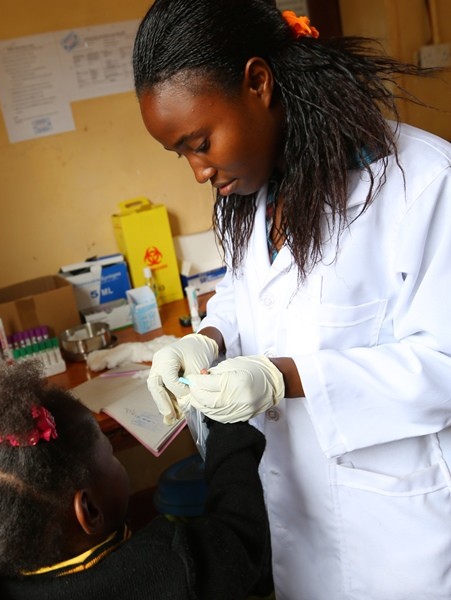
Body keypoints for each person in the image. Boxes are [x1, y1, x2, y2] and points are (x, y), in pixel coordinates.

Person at [132, 1, 451, 598]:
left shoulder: (424, 184)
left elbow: (445, 364)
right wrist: (208, 340)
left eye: (200, 142)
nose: (198, 171)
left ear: (257, 82)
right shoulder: (261, 189)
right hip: (297, 524)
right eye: (182, 153)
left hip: (399, 538)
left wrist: (283, 378)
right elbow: (247, 293)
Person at [0, 358, 273, 599]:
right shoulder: (165, 567)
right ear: (88, 510)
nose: (114, 456)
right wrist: (228, 426)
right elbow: (242, 537)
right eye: (110, 452)